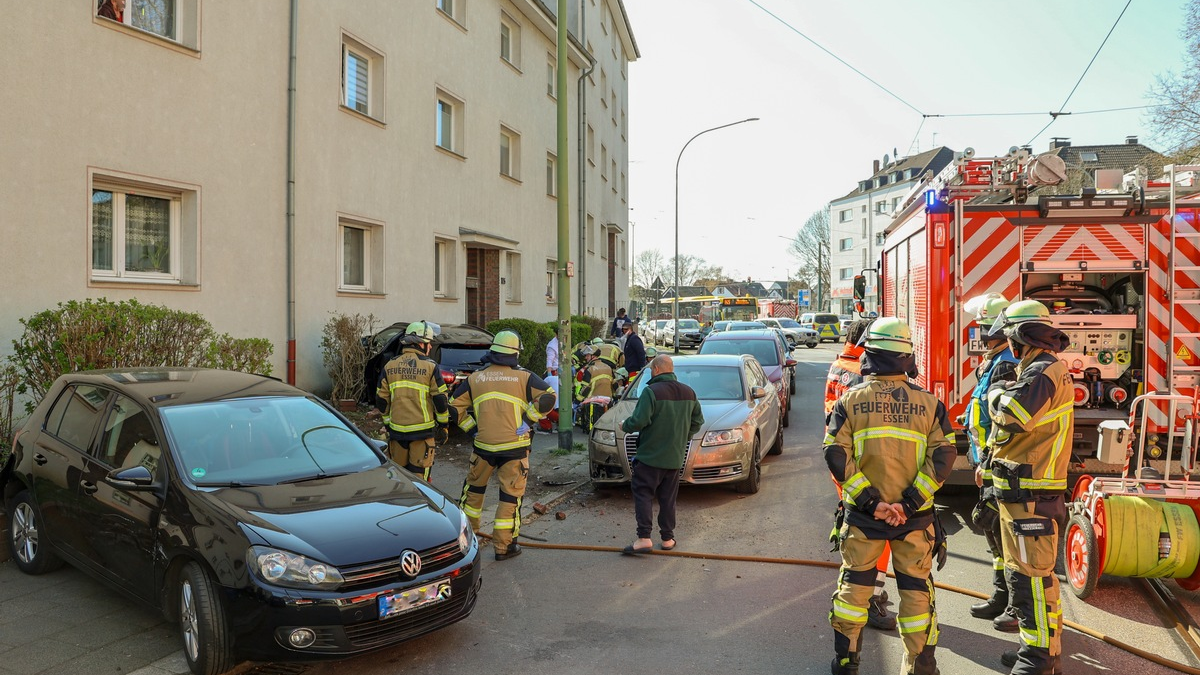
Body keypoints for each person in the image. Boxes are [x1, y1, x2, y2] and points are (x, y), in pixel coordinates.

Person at [824, 317, 955, 675]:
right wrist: (909, 503)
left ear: (871, 354)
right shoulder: (930, 404)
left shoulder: (850, 401)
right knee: (916, 594)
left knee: (854, 591)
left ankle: (847, 663)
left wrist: (872, 503)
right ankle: (920, 666)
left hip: (866, 520)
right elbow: (944, 456)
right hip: (914, 521)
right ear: (906, 357)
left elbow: (835, 454)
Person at [985, 300, 1073, 675]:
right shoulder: (1039, 369)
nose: (1009, 348)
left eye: (1009, 340)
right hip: (1024, 492)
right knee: (1025, 575)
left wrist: (994, 394)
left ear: (1021, 338)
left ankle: (1038, 660)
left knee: (1032, 580)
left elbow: (1012, 415)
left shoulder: (1042, 371)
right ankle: (1035, 648)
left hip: (1032, 495)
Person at [450, 330, 555, 561]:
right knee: (510, 497)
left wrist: (472, 429)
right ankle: (504, 547)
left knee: (474, 493)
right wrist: (528, 420)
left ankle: (468, 542)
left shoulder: (475, 378)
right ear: (515, 353)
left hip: (483, 447)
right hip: (514, 448)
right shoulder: (525, 377)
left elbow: (453, 408)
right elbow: (548, 398)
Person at [823, 317, 895, 632]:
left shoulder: (839, 364)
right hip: (862, 465)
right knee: (876, 536)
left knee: (854, 524)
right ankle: (870, 596)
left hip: (841, 464)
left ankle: (860, 591)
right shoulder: (860, 376)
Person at [961, 294, 1021, 633]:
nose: (982, 334)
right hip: (985, 459)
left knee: (1000, 530)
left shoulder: (1004, 364)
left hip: (994, 460)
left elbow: (1003, 419)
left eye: (987, 328)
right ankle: (1001, 596)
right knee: (993, 531)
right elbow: (983, 406)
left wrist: (986, 459)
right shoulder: (994, 360)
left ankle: (1012, 602)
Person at [620, 355, 704, 554]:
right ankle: (668, 538)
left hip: (650, 456)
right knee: (668, 498)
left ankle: (644, 538)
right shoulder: (689, 392)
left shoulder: (651, 392)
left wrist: (625, 425)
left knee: (643, 494)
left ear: (656, 369)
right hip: (674, 457)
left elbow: (639, 421)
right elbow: (698, 422)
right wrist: (682, 436)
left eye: (651, 370)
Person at [375, 321, 450, 480]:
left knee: (399, 478)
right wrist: (443, 425)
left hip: (397, 434)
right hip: (422, 434)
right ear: (420, 344)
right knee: (419, 480)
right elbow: (440, 400)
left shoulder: (390, 365)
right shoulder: (430, 367)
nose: (430, 347)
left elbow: (381, 400)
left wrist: (388, 424)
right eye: (428, 343)